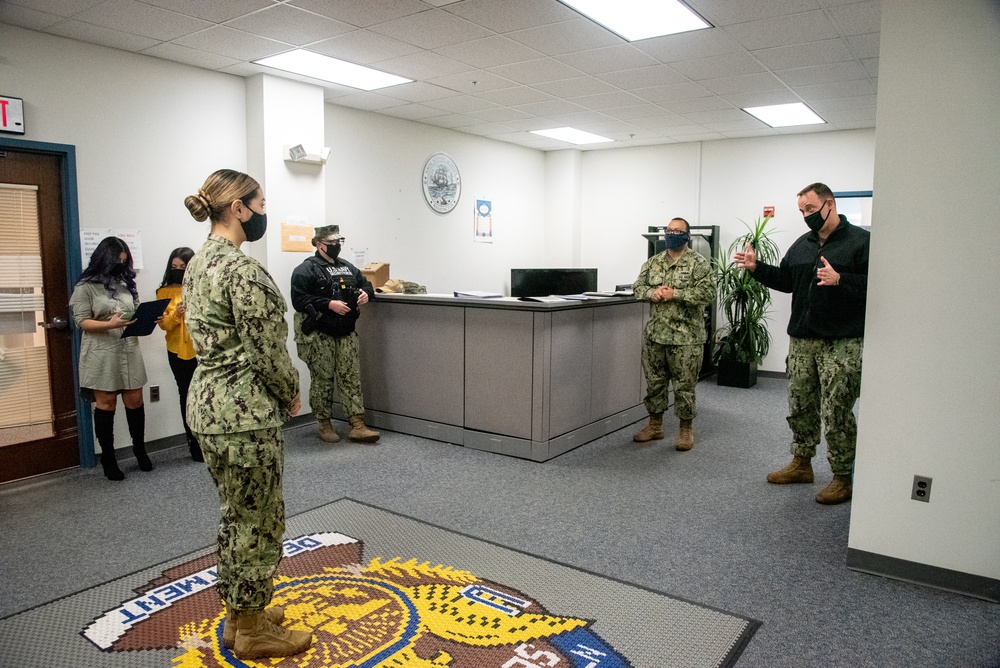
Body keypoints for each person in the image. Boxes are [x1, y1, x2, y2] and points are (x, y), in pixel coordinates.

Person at [182, 169, 312, 659]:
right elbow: (268, 352)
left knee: (235, 512)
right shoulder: (243, 270)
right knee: (260, 518)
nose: (263, 212)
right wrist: (290, 392)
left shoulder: (197, 263)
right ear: (237, 208)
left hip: (207, 407)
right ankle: (254, 631)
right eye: (259, 203)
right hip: (244, 414)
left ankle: (241, 613)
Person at [734, 183, 869, 505]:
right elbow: (786, 281)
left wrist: (842, 280)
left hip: (842, 341)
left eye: (810, 209)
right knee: (800, 406)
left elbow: (878, 286)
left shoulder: (860, 242)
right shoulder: (802, 245)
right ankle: (802, 463)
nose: (806, 216)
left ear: (829, 203)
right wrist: (756, 269)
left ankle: (841, 476)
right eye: (802, 212)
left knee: (836, 411)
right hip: (804, 339)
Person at [69, 236, 153, 481]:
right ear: (104, 259)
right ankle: (108, 456)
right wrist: (110, 323)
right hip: (101, 352)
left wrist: (148, 317)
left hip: (128, 349)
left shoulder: (125, 283)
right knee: (106, 404)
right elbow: (81, 321)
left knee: (135, 400)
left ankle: (139, 448)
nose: (120, 266)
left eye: (124, 262)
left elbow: (134, 310)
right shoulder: (85, 287)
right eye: (116, 261)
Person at [631, 217, 717, 450]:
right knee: (655, 384)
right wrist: (653, 292)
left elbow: (708, 292)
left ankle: (685, 430)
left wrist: (675, 294)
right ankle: (655, 426)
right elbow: (637, 287)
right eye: (669, 230)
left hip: (686, 338)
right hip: (656, 335)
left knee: (684, 386)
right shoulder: (653, 263)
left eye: (678, 231)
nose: (672, 234)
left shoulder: (698, 263)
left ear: (687, 235)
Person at [290, 224, 380, 445]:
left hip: (346, 332)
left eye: (339, 243)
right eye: (331, 243)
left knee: (351, 378)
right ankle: (324, 423)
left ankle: (357, 424)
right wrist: (328, 304)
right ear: (319, 244)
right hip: (321, 334)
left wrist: (366, 294)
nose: (336, 247)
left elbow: (366, 283)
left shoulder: (348, 268)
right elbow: (299, 299)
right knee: (323, 380)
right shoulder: (305, 270)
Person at [155, 247, 202, 462]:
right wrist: (176, 314)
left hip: (203, 350)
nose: (178, 271)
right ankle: (193, 444)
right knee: (186, 396)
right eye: (174, 267)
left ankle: (210, 439)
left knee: (205, 396)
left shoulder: (201, 287)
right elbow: (163, 324)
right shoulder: (163, 292)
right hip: (177, 351)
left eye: (182, 267)